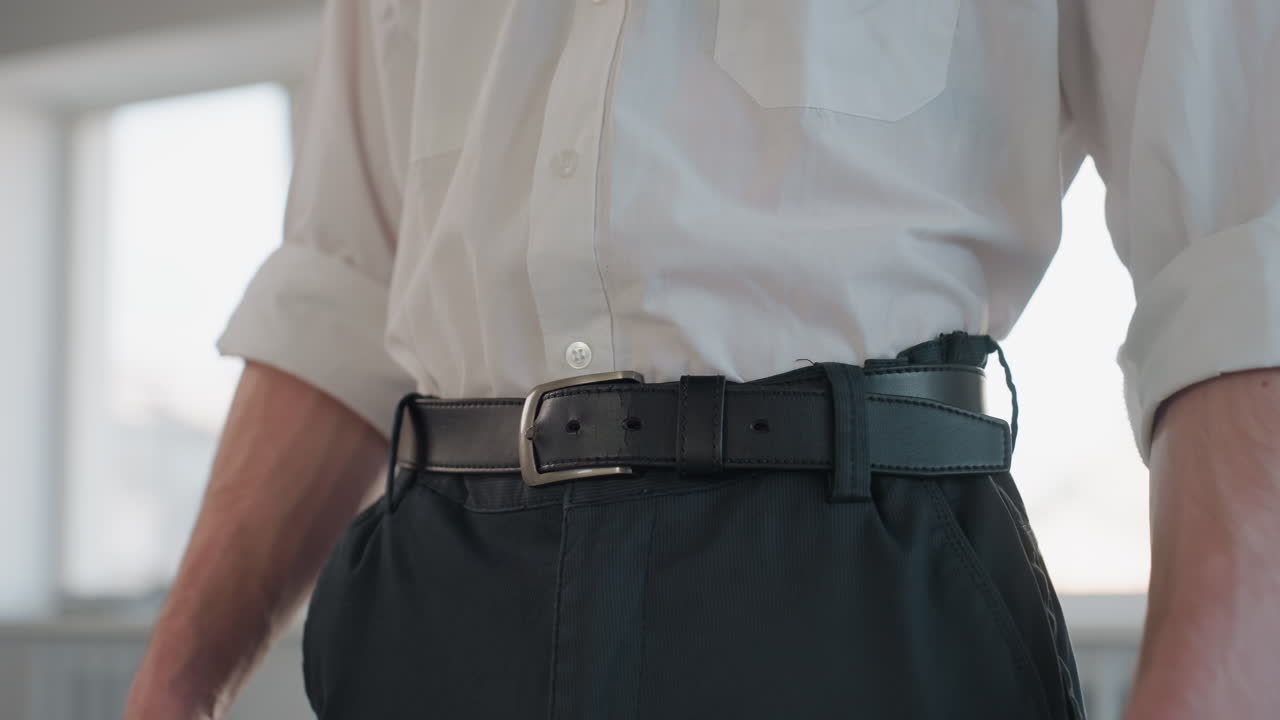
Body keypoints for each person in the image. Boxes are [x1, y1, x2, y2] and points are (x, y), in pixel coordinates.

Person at [125, 1, 1280, 718]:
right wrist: (173, 689)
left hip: (845, 599)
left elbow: (1242, 254)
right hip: (438, 598)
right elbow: (338, 289)